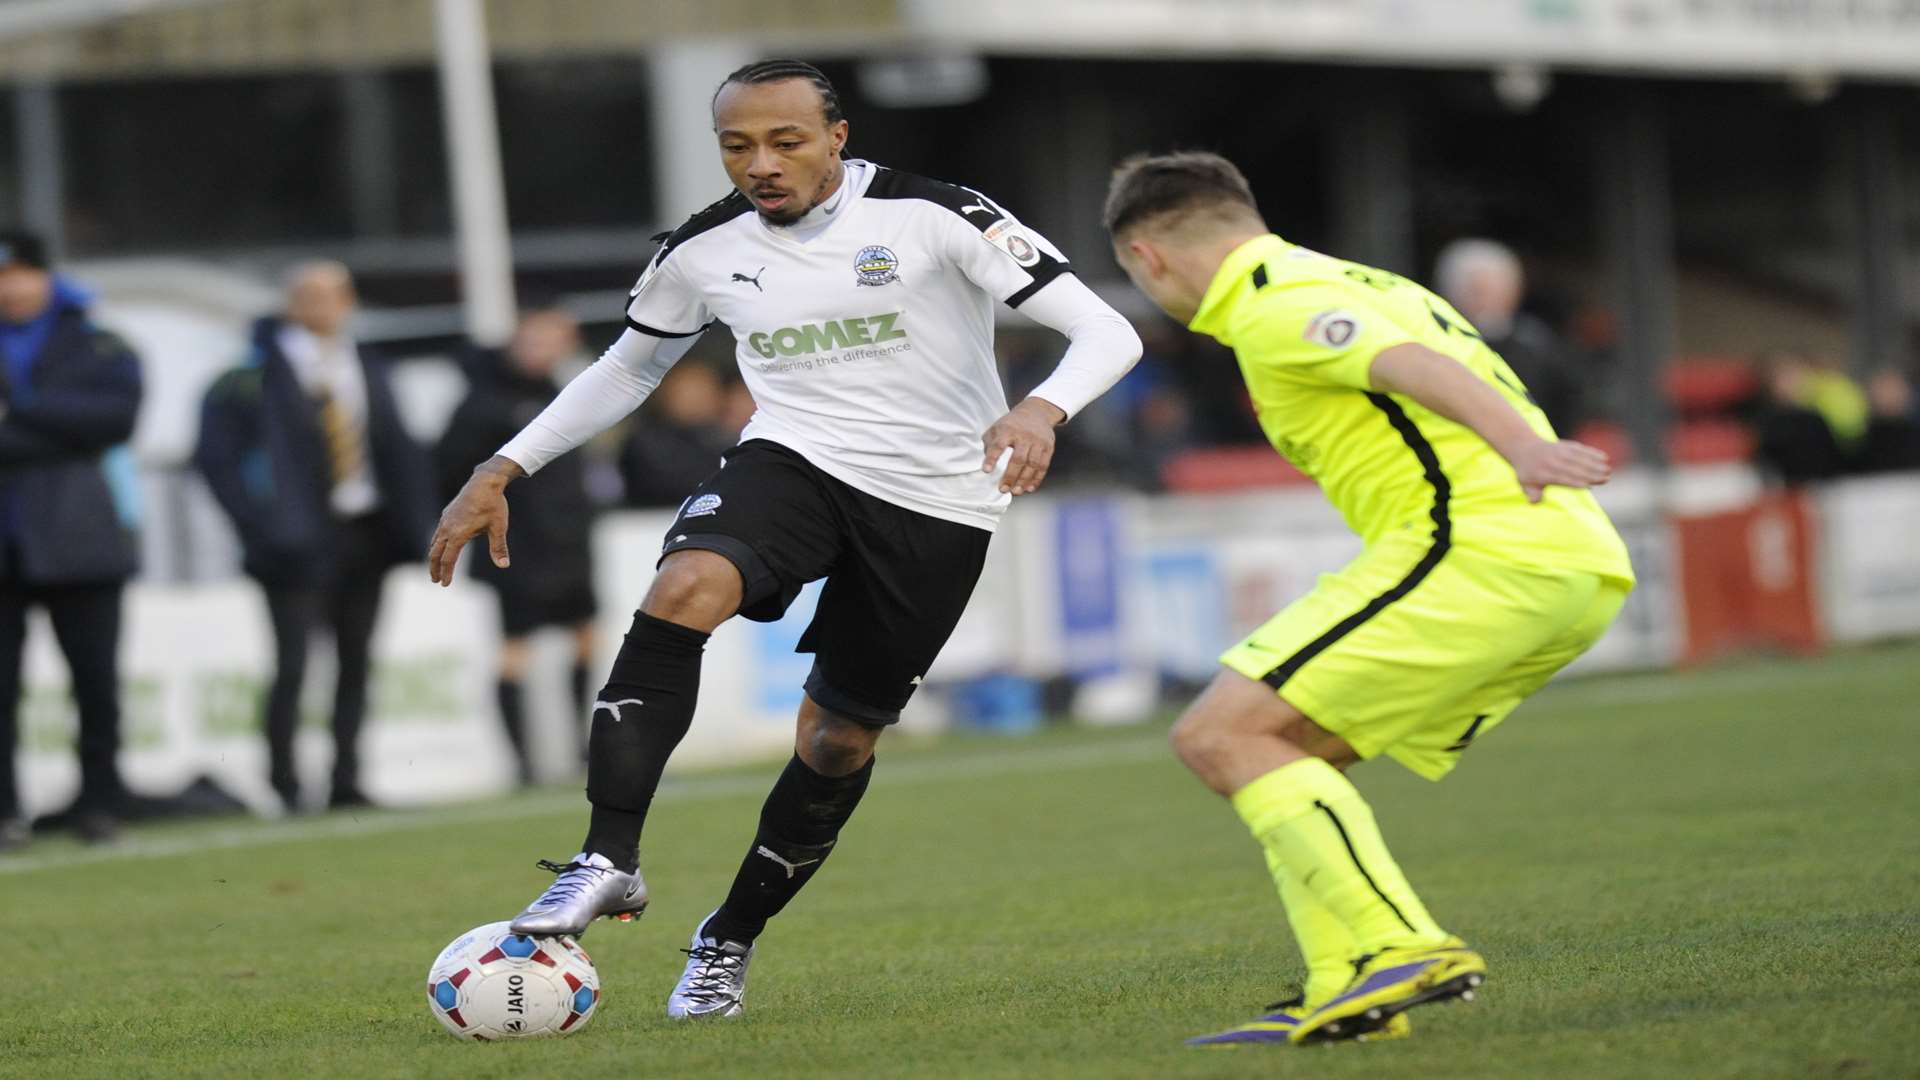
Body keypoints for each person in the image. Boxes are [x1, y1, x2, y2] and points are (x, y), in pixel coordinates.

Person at [428, 59, 1141, 1018]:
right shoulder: (702, 249)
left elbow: (1107, 331)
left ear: (836, 139)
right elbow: (627, 370)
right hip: (793, 459)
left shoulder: (938, 215)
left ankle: (726, 940)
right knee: (683, 588)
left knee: (839, 739)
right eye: (737, 146)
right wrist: (500, 468)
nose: (760, 164)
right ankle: (607, 858)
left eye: (785, 141)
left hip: (938, 498)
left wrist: (1041, 410)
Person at [1103, 153, 1634, 1047]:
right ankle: (1343, 984)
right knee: (1282, 750)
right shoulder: (1349, 275)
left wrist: (1523, 447)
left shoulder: (1270, 302)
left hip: (1483, 544)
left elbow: (1405, 363)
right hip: (1562, 558)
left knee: (1218, 734)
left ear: (1149, 257)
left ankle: (1401, 946)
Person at [195, 261, 433, 813]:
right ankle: (286, 783)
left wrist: (414, 522)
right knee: (295, 663)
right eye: (307, 295)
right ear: (288, 302)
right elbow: (218, 460)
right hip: (293, 542)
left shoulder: (368, 366)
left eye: (332, 295)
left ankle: (346, 778)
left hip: (366, 532)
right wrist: (262, 523)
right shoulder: (249, 376)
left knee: (356, 660)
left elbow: (399, 448)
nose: (321, 306)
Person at [0, 230, 142, 850]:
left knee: (96, 683)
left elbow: (113, 420)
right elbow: (81, 423)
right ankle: (6, 812)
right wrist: (57, 423)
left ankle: (100, 804)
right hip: (8, 538)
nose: (11, 287)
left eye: (21, 273)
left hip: (80, 537)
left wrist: (16, 412)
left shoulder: (97, 341)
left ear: (44, 277)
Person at [436, 305, 599, 785]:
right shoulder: (481, 404)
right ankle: (523, 764)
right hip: (515, 548)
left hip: (568, 543)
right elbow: (450, 470)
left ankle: (584, 750)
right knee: (514, 650)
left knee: (587, 638)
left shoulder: (559, 393)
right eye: (534, 340)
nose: (542, 351)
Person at [1433, 238, 1585, 436]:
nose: (1488, 300)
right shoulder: (1436, 342)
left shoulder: (1536, 344)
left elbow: (1565, 400)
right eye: (1478, 291)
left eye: (1497, 288)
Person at [619, 363, 735, 508]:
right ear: (667, 395)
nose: (698, 402)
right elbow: (668, 485)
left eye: (705, 392)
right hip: (652, 521)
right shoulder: (648, 443)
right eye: (690, 393)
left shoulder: (728, 439)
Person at [1856, 366, 1920, 474]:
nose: (1889, 396)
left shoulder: (1915, 440)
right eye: (1884, 389)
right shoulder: (1861, 443)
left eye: (1893, 390)